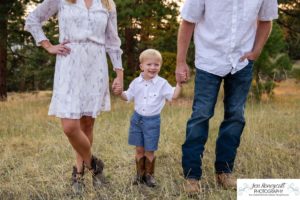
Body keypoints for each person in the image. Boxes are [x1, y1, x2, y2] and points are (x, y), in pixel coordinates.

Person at [176, 0, 278, 194]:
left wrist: (256, 51)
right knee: (201, 115)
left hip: (241, 62)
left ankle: (224, 171)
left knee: (235, 116)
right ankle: (191, 176)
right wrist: (181, 62)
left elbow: (266, 20)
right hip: (208, 60)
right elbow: (188, 21)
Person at [25, 0, 123, 194]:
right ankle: (94, 165)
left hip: (96, 66)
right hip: (69, 64)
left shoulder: (106, 3)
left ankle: (78, 173)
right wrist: (48, 45)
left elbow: (112, 40)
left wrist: (119, 72)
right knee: (70, 127)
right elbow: (33, 19)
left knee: (87, 124)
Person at [114, 49, 181, 187]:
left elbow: (173, 96)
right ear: (142, 66)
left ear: (160, 66)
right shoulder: (135, 83)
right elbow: (127, 96)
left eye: (156, 65)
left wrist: (179, 84)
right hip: (137, 120)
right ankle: (140, 175)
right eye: (149, 64)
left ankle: (149, 176)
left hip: (152, 121)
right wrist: (119, 93)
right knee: (139, 149)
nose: (153, 67)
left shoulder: (162, 84)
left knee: (149, 150)